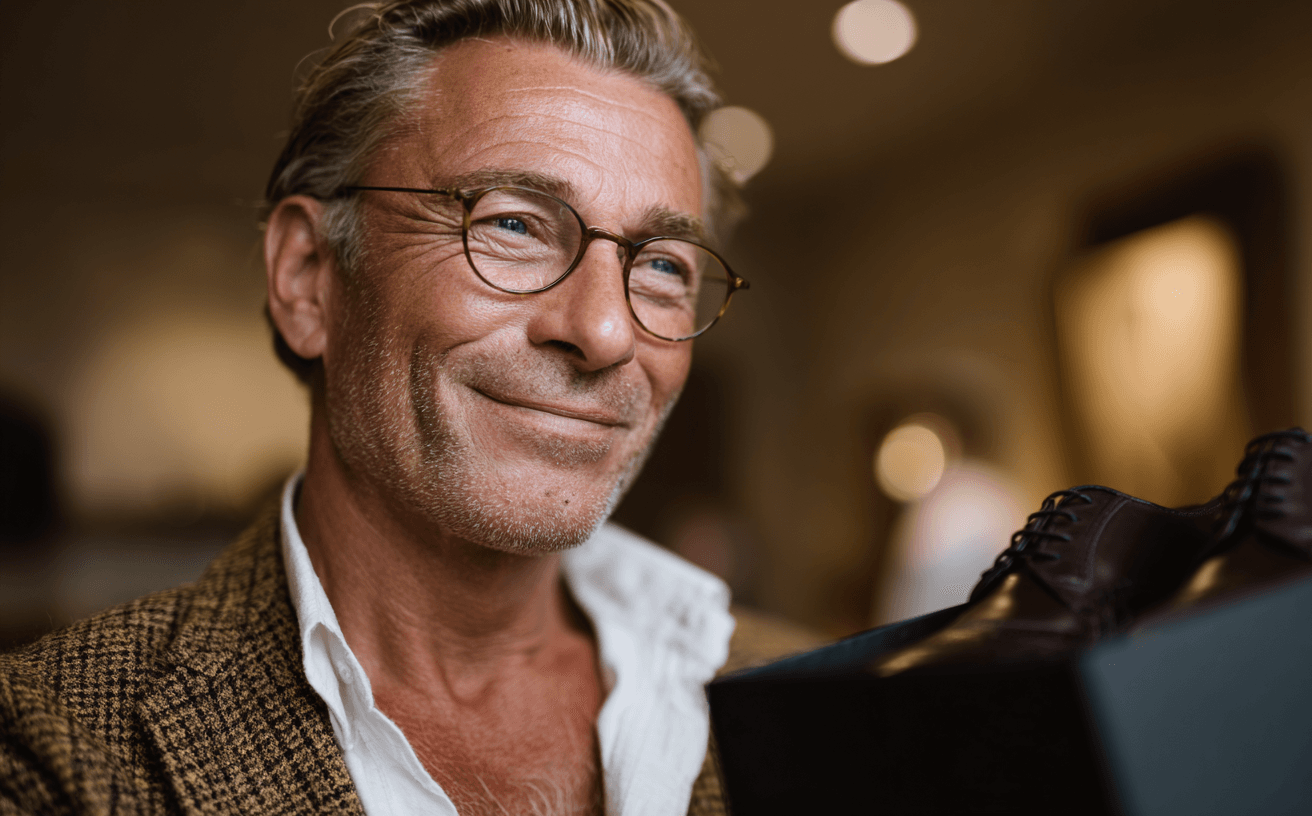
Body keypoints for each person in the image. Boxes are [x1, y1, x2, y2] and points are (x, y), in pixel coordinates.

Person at [0, 2, 821, 814]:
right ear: (308, 276)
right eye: (513, 223)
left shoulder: (826, 699)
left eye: (665, 267)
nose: (606, 331)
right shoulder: (52, 748)